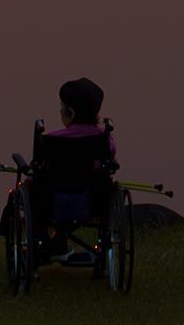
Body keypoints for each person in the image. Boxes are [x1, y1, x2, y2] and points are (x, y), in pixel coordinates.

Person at [28, 77, 123, 239]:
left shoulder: (51, 140)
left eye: (61, 107)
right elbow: (110, 155)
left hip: (51, 200)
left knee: (33, 184)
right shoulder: (103, 139)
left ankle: (43, 240)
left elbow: (39, 164)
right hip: (94, 199)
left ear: (70, 112)